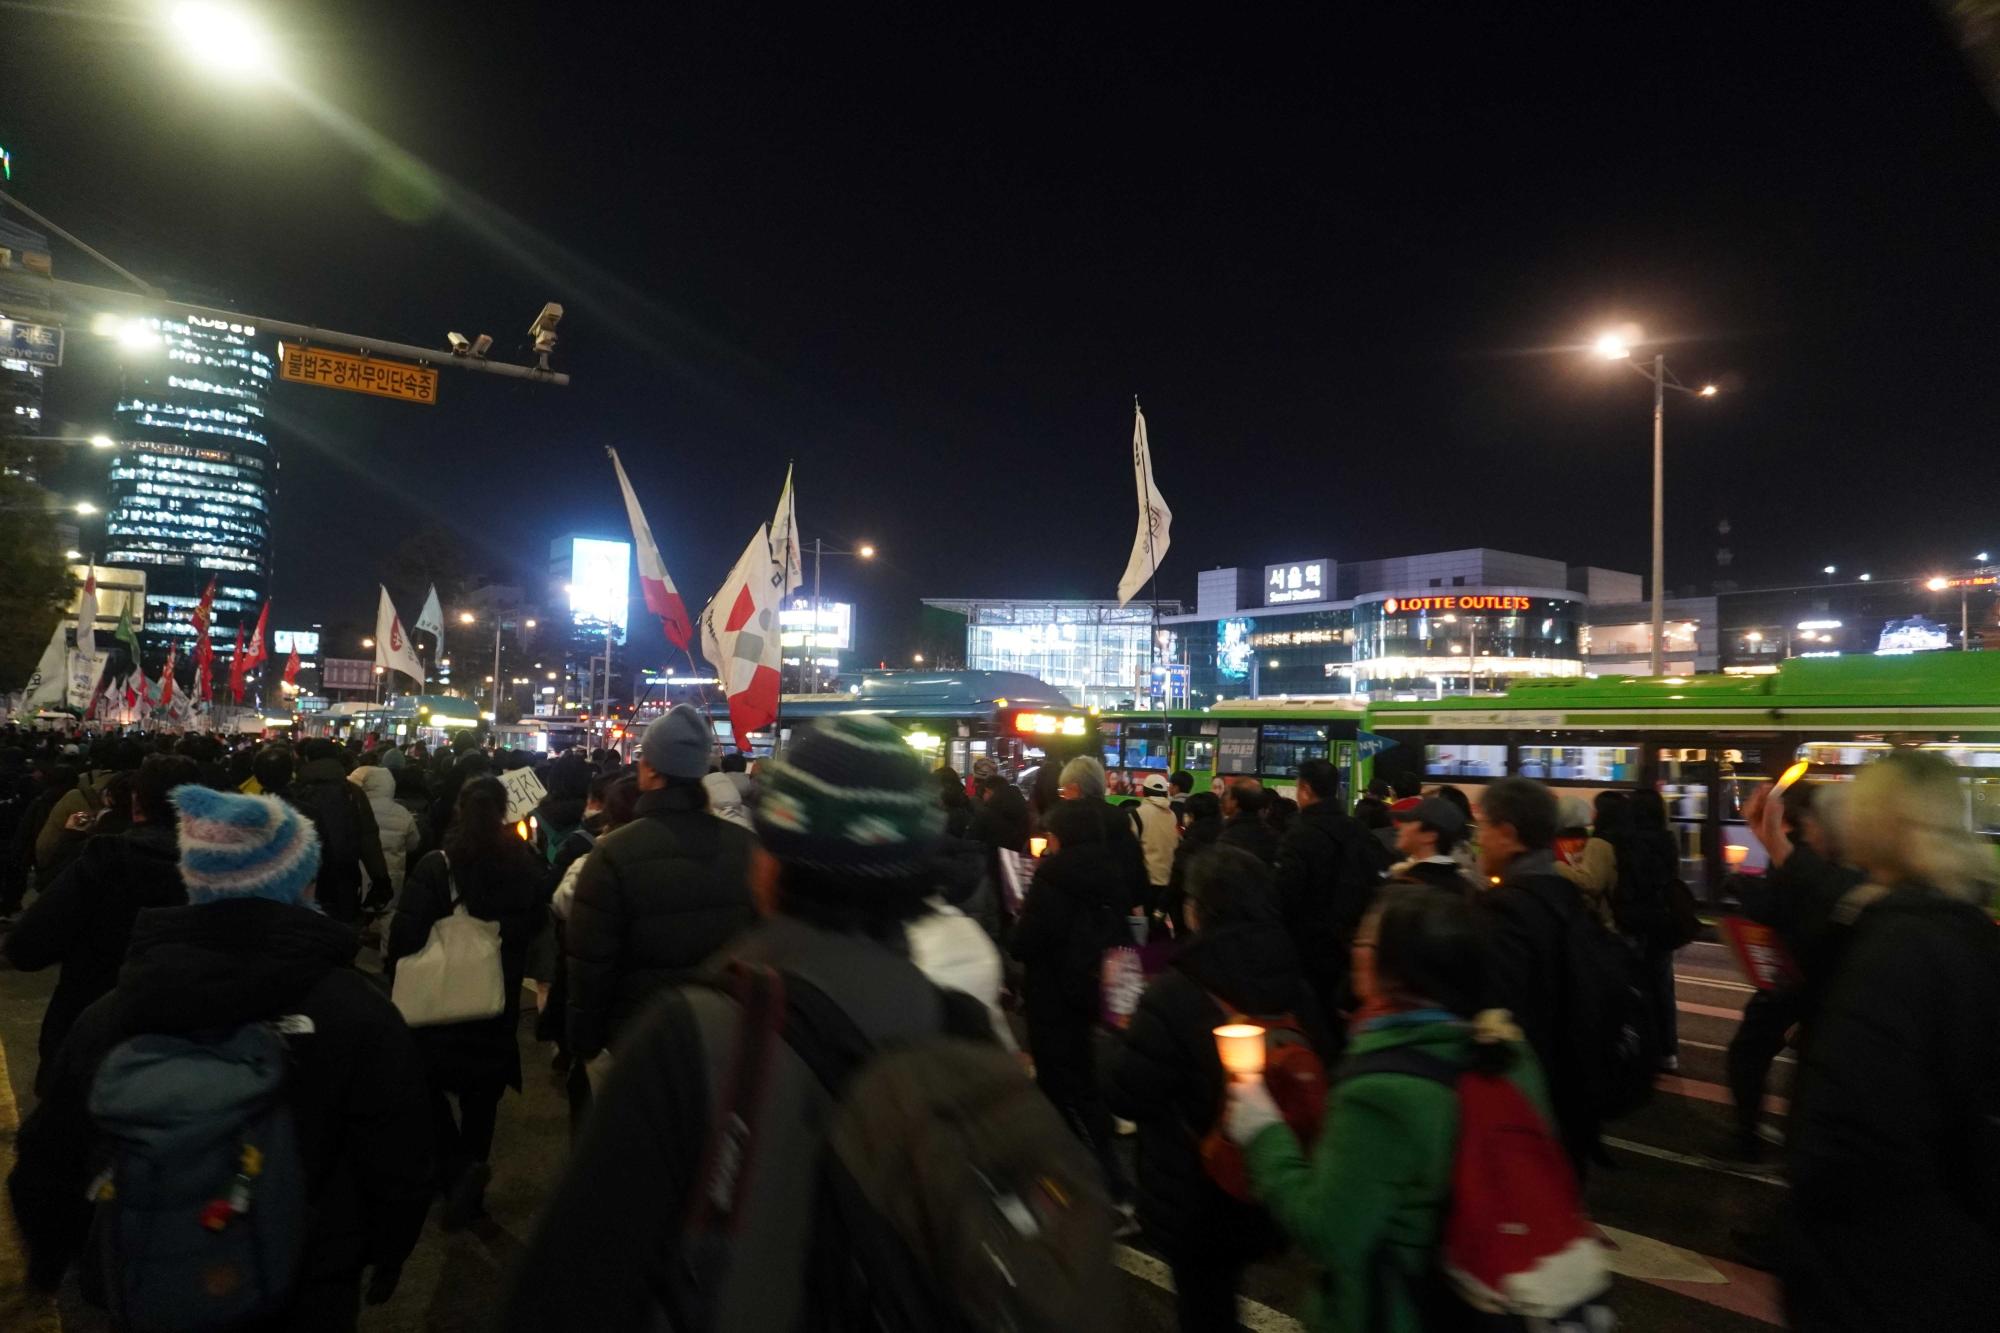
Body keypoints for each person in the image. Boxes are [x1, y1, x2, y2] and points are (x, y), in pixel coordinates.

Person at [503, 714, 1001, 1331]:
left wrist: (581, 1043)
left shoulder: (692, 1037)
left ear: (772, 865)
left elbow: (573, 1286)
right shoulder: (965, 1030)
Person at [7, 785, 432, 1324]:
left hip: (154, 1278)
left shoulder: (123, 1005)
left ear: (196, 878)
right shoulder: (356, 1009)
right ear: (305, 880)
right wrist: (383, 1253)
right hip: (306, 1283)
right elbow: (401, 1158)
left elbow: (49, 1157)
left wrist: (57, 1260)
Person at [1223, 884, 1554, 1333]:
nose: (1355, 951)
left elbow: (1328, 1232)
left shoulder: (1381, 1091)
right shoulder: (1509, 1053)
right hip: (1499, 1298)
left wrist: (1260, 1126)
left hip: (1398, 1312)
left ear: (1396, 968)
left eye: (1364, 942)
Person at [1777, 750, 2000, 1331]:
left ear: (1879, 825)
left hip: (1879, 1271)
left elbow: (1850, 1135)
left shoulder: (1896, 947)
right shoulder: (1964, 927)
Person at [1107, 845, 1331, 1331]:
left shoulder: (1176, 989)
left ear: (1197, 910)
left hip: (1196, 1188)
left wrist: (1124, 1034)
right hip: (1273, 1177)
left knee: (1205, 1304)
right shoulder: (1297, 983)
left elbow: (1128, 1093)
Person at [385, 776, 552, 1229]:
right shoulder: (524, 865)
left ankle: (455, 1169)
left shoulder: (438, 865)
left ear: (461, 809)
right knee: (483, 1101)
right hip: (495, 999)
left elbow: (406, 934)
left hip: (438, 1002)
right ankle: (470, 1186)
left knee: (427, 1090)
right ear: (504, 812)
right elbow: (537, 923)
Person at [565, 705, 758, 1065]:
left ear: (652, 768)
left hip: (637, 1040)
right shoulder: (746, 846)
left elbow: (592, 965)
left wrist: (584, 1042)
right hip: (721, 1040)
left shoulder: (613, 853)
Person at [3, 752, 198, 1093]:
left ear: (136, 803)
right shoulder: (226, 873)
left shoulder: (104, 862)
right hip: (188, 1056)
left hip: (89, 1042)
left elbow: (27, 947)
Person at [1010, 796, 1138, 1213]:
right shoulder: (1111, 872)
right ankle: (1086, 1178)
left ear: (1062, 836)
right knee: (1086, 1084)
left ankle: (1099, 1184)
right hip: (1095, 992)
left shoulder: (1053, 877)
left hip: (1053, 995)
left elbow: (1027, 942)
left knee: (1062, 1088)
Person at [1470, 775, 1598, 1174]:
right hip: (1576, 1102)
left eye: (1484, 827)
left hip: (1525, 1120)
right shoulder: (1569, 899)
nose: (1479, 840)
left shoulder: (1506, 912)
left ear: (1507, 833)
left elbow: (1498, 1018)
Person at [1726, 780, 1855, 1160]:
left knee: (1748, 1056)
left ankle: (1748, 1137)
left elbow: (1777, 908)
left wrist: (1740, 887)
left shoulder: (1806, 865)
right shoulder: (1839, 863)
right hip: (1819, 986)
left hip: (1794, 980)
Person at [1274, 758, 1386, 1028]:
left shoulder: (1298, 836)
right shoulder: (1358, 830)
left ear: (1305, 788)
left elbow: (1284, 895)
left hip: (1308, 949)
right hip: (1350, 947)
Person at [288, 739, 391, 924]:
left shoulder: (296, 790)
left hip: (303, 877)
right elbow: (369, 839)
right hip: (344, 877)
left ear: (307, 758)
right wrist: (381, 878)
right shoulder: (353, 792)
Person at [1619, 788, 1685, 1071]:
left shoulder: (1628, 842)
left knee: (1635, 985)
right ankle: (1668, 1051)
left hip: (1635, 921)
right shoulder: (1667, 840)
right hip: (1662, 921)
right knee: (1662, 986)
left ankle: (1640, 1048)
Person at [350, 761, 421, 897]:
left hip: (359, 876)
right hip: (392, 877)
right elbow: (413, 843)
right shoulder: (402, 813)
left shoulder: (356, 808)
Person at [1388, 794, 1481, 896]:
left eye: (1409, 821)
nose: (1401, 826)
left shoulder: (1407, 888)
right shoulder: (1467, 887)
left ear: (1429, 836)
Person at [1554, 792, 1623, 929]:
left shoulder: (1549, 846)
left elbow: (1591, 883)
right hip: (1596, 917)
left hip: (1569, 914)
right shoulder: (1597, 841)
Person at [1165, 790, 1224, 934]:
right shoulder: (1227, 836)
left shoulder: (1190, 842)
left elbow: (1177, 878)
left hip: (1191, 907)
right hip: (1220, 908)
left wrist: (1162, 905)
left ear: (1193, 816)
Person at [1132, 772, 1180, 909]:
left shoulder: (1137, 814)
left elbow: (1131, 849)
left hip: (1147, 881)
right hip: (1168, 881)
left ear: (1144, 792)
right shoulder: (1172, 815)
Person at [967, 757, 1031, 855]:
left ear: (988, 790)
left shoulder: (983, 809)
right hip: (1015, 861)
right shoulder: (1020, 804)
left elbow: (971, 842)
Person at [1218, 777, 1278, 864]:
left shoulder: (1226, 835)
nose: (1224, 798)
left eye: (1228, 795)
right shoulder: (1272, 834)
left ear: (1234, 802)